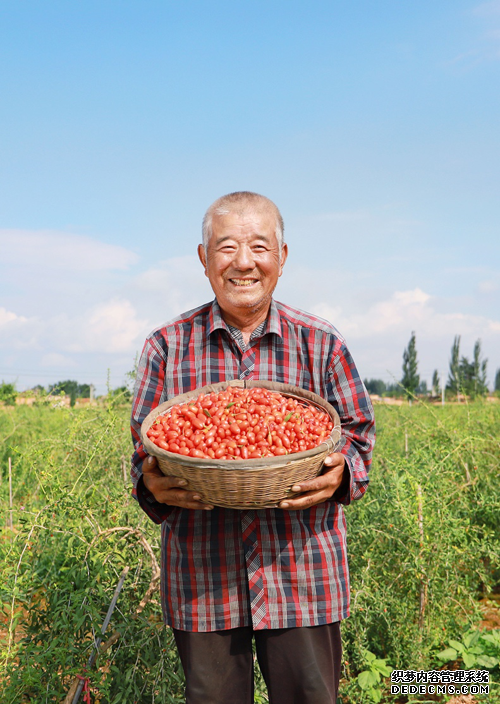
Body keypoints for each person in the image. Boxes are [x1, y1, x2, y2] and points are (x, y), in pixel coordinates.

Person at [131, 191, 375, 704]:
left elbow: (358, 436)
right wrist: (152, 484)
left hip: (302, 576)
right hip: (204, 580)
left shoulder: (322, 342)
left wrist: (342, 473)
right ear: (204, 259)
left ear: (282, 258)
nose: (244, 262)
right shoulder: (166, 347)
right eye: (226, 247)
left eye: (260, 246)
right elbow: (144, 455)